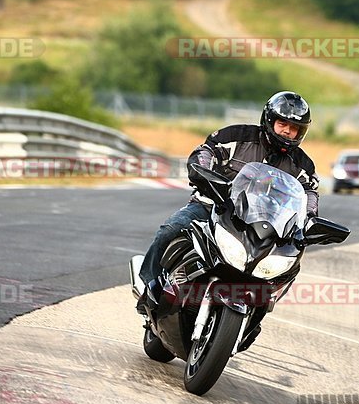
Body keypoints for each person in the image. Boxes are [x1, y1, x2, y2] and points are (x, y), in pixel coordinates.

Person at [137, 91, 320, 294]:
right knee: (172, 228)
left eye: (294, 128)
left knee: (289, 264)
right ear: (270, 121)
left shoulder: (302, 165)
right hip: (213, 206)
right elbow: (207, 151)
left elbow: (309, 193)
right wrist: (203, 171)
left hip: (262, 226)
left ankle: (259, 309)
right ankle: (148, 286)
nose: (287, 131)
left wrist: (310, 218)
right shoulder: (236, 137)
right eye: (283, 124)